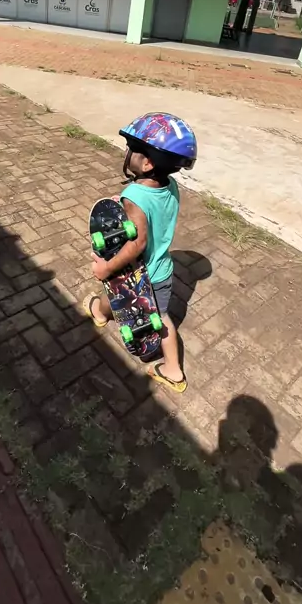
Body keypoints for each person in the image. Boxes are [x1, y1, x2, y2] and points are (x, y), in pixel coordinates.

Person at [83, 112, 197, 394]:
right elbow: (152, 211)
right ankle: (100, 312)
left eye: (131, 148)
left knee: (134, 303)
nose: (127, 152)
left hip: (141, 274)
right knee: (132, 303)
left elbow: (138, 243)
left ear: (147, 163)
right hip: (162, 271)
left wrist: (107, 269)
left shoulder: (135, 195)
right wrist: (125, 207)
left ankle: (173, 370)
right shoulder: (170, 186)